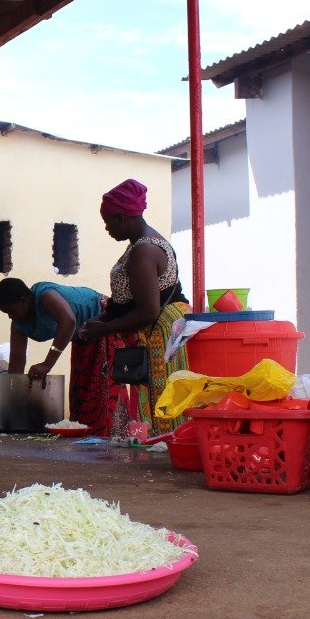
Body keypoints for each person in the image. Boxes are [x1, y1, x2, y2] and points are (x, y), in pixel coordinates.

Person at [79, 178, 191, 436]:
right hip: (160, 329)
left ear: (122, 218)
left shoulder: (143, 251)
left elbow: (148, 310)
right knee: (155, 402)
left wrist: (104, 329)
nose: (106, 228)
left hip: (160, 333)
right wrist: (104, 319)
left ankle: (166, 448)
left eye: (108, 221)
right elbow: (131, 298)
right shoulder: (142, 244)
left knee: (160, 404)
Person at [0, 277, 108, 430]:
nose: (10, 317)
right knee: (81, 394)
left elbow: (68, 322)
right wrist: (12, 403)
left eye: (12, 311)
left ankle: (107, 441)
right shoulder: (18, 324)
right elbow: (16, 363)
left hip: (104, 320)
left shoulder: (45, 295)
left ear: (23, 301)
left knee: (101, 393)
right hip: (83, 336)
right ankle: (90, 442)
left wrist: (47, 364)